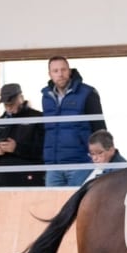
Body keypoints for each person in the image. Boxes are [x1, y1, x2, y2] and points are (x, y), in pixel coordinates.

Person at [41, 56, 107, 186]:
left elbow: (99, 127)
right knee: (53, 204)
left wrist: (100, 157)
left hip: (80, 163)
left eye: (63, 69)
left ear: (69, 71)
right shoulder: (46, 97)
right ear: (50, 74)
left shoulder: (88, 93)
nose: (60, 74)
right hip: (54, 166)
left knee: (78, 204)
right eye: (55, 71)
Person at [0, 83, 45, 186]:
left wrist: (16, 148)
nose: (8, 108)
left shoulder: (37, 117)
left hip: (29, 178)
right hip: (5, 179)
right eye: (5, 104)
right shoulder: (1, 121)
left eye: (11, 103)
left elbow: (42, 150)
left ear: (20, 98)